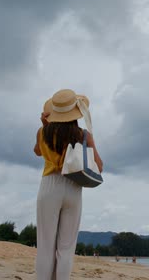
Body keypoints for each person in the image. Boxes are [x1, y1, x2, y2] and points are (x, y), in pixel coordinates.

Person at [33, 89, 103, 280]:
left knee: (45, 245)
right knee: (66, 247)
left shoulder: (42, 132)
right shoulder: (83, 135)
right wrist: (89, 142)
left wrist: (44, 126)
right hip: (73, 185)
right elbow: (100, 166)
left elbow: (37, 152)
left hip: (49, 185)